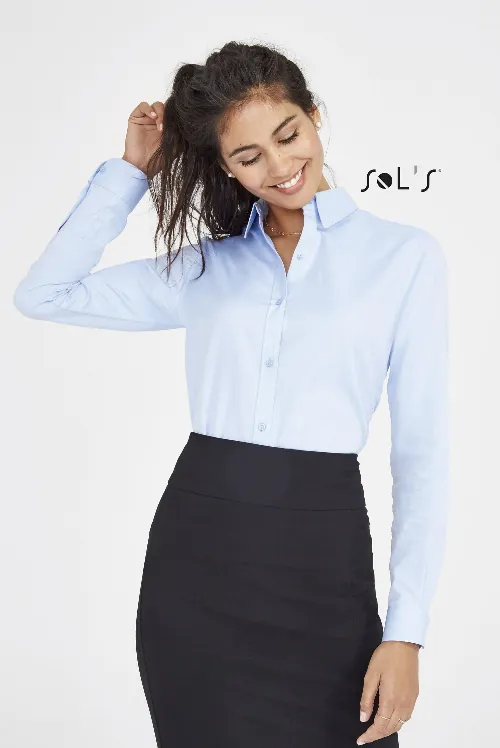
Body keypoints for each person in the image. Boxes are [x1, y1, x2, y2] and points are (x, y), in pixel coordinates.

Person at [13, 40, 449, 748]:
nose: (278, 166)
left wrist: (407, 632)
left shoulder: (404, 258)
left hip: (324, 562)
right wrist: (130, 174)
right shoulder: (207, 268)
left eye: (288, 135)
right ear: (226, 167)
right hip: (198, 570)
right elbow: (45, 294)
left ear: (313, 116)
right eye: (248, 156)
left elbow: (422, 455)